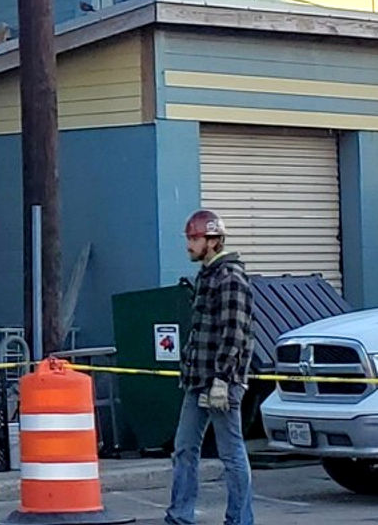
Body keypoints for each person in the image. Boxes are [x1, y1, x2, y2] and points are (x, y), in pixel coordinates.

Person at [167, 207, 254, 525]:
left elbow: (234, 332)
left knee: (231, 454)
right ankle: (179, 514)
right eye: (189, 238)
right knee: (184, 449)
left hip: (221, 382)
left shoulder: (230, 278)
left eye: (194, 238)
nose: (189, 244)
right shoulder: (207, 275)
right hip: (198, 380)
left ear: (213, 240)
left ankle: (240, 520)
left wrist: (222, 379)